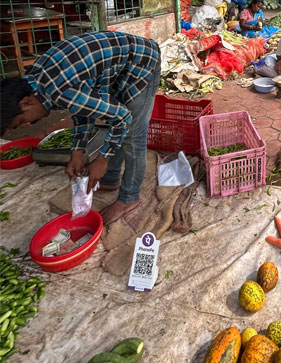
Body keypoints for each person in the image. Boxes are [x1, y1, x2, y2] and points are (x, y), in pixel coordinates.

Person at [0, 31, 161, 224]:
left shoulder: (60, 90)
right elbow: (82, 107)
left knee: (133, 135)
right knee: (115, 125)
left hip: (142, 62)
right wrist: (77, 152)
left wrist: (102, 159)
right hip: (116, 67)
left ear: (25, 103)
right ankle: (110, 180)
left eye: (21, 121)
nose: (27, 125)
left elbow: (122, 117)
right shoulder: (35, 81)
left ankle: (129, 197)